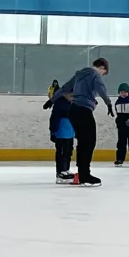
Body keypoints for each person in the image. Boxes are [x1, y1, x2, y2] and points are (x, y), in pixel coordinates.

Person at [51, 58, 113, 187]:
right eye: (104, 72)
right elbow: (101, 89)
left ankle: (83, 173)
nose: (102, 75)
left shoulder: (79, 74)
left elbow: (65, 88)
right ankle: (85, 175)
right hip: (84, 110)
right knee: (89, 142)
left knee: (83, 142)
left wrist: (52, 99)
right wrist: (108, 103)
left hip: (73, 110)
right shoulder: (95, 75)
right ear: (102, 68)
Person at [48, 92, 75, 184]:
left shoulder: (72, 103)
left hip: (70, 132)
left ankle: (66, 169)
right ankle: (60, 171)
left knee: (68, 151)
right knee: (62, 152)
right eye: (71, 96)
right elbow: (54, 118)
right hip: (61, 132)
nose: (72, 98)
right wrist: (52, 132)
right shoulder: (60, 104)